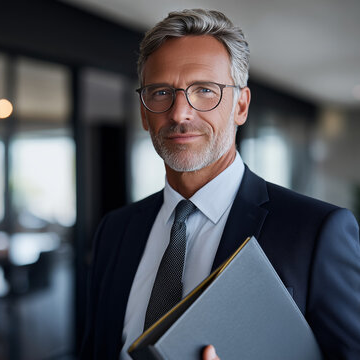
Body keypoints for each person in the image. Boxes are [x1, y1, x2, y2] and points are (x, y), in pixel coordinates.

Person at [80, 8, 360, 360]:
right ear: (143, 112)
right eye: (161, 92)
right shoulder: (115, 230)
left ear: (240, 106)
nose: (180, 112)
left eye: (204, 90)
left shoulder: (316, 232)